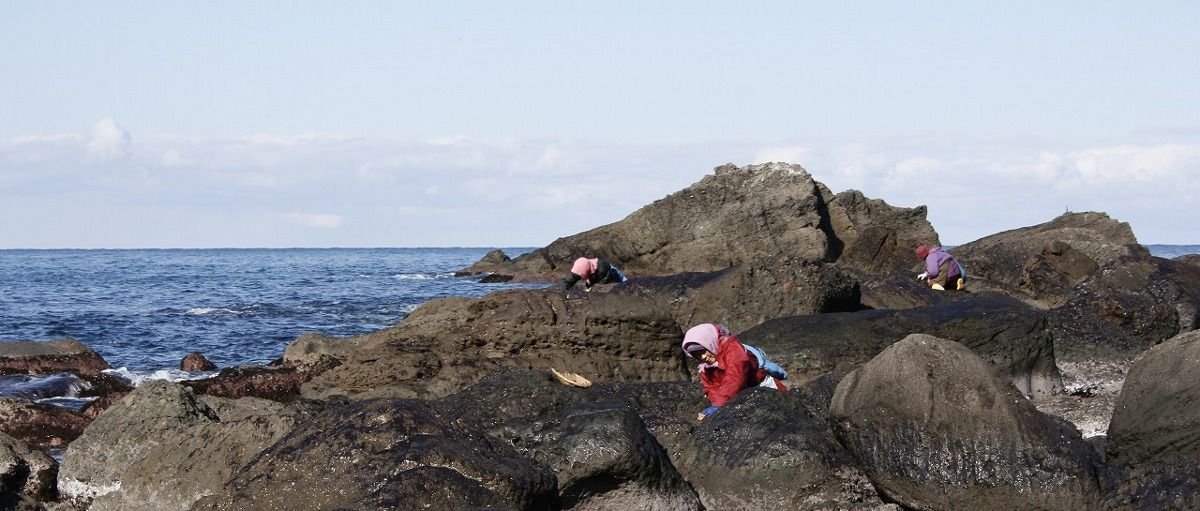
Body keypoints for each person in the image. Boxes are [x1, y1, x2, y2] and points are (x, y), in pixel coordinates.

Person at [680, 323, 787, 421]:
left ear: (709, 343)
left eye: (703, 351)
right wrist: (716, 405)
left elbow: (735, 375)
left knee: (784, 413)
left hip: (763, 386)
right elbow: (711, 387)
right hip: (740, 395)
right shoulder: (705, 366)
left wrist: (719, 404)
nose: (703, 356)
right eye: (697, 354)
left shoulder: (732, 348)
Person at [562, 257, 627, 291]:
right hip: (595, 275)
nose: (579, 278)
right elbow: (571, 280)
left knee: (626, 284)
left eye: (580, 276)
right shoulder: (581, 267)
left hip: (614, 276)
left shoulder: (602, 269)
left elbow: (604, 286)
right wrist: (565, 288)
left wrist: (590, 288)